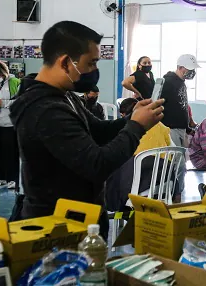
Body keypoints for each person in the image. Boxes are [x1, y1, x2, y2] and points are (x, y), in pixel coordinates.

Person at [9, 21, 164, 237]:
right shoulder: (45, 110)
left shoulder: (65, 96)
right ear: (65, 63)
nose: (94, 71)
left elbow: (98, 130)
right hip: (58, 228)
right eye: (91, 63)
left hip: (82, 218)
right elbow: (97, 164)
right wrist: (137, 127)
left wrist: (133, 117)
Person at [106, 98, 175, 210]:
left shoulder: (127, 129)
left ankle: (120, 210)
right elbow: (175, 150)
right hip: (164, 182)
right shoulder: (161, 126)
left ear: (123, 114)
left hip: (137, 184)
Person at [159, 54, 200, 201]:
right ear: (181, 68)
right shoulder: (168, 82)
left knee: (181, 164)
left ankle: (178, 194)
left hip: (181, 128)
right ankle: (174, 195)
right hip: (171, 128)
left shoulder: (181, 82)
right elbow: (158, 103)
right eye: (189, 69)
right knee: (177, 164)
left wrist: (189, 122)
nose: (191, 73)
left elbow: (183, 105)